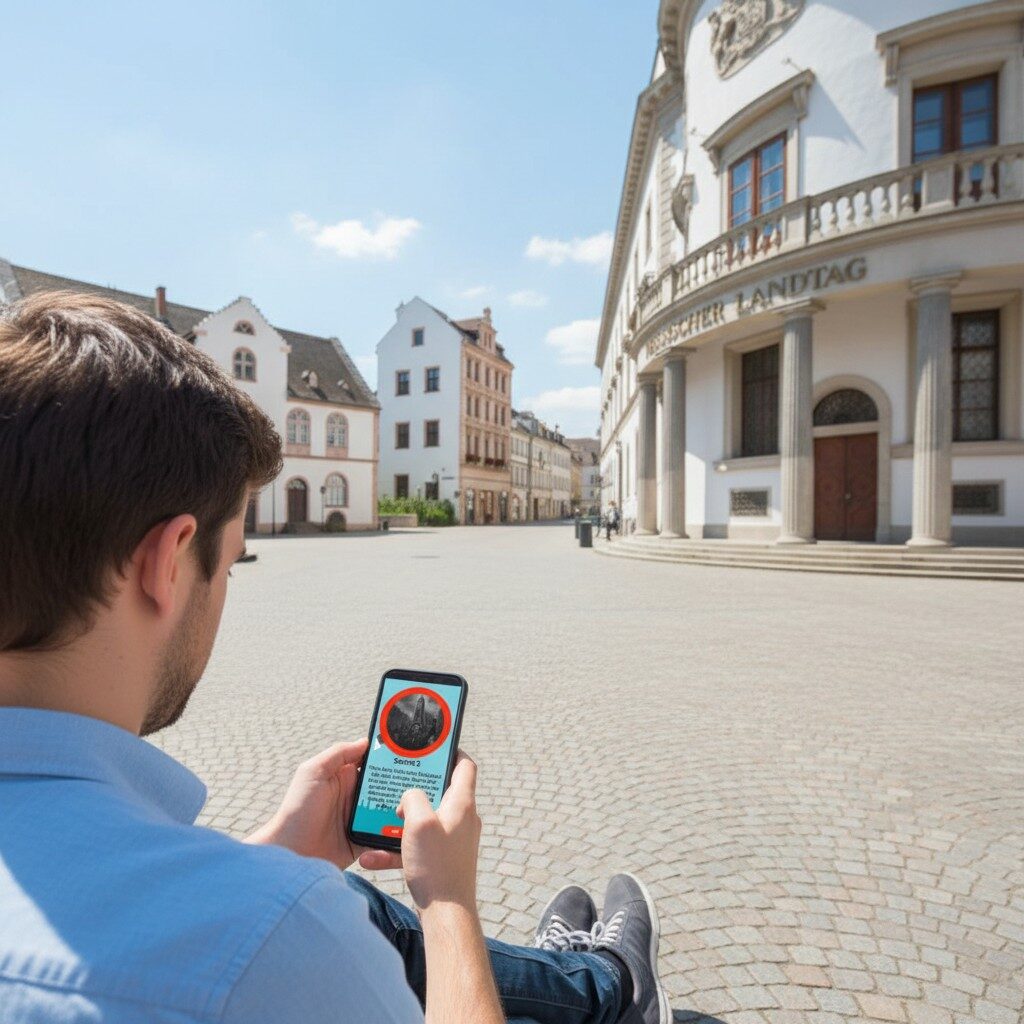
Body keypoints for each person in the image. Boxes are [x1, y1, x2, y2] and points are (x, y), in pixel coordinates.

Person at [0, 293, 671, 1024]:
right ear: (168, 562)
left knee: (350, 899)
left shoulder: (265, 903)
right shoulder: (284, 936)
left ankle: (588, 983)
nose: (225, 588)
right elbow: (239, 947)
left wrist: (281, 856)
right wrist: (448, 902)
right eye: (227, 564)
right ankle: (612, 990)